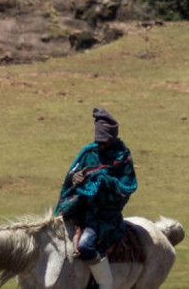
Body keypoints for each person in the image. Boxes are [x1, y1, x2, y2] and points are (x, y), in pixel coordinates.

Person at [54, 107, 137, 289]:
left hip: (103, 215)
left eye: (105, 142)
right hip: (79, 208)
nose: (100, 146)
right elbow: (70, 176)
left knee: (85, 246)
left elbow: (127, 187)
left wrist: (104, 180)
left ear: (113, 138)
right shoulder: (88, 153)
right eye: (98, 141)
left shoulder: (122, 157)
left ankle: (104, 283)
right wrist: (74, 178)